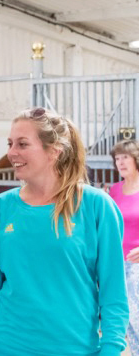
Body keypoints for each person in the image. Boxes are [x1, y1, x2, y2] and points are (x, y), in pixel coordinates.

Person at [0, 107, 129, 355]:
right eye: (10, 143)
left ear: (54, 151)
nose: (11, 153)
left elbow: (114, 294)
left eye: (22, 144)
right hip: (7, 347)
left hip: (75, 349)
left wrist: (111, 349)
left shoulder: (97, 207)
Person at [110, 139, 139, 355]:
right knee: (127, 323)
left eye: (125, 157)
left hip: (137, 265)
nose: (120, 162)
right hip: (119, 264)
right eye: (117, 158)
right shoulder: (114, 190)